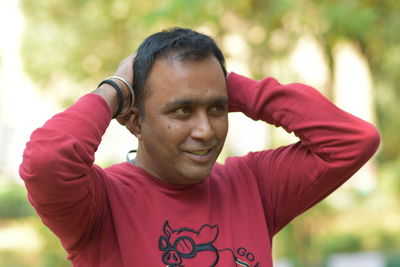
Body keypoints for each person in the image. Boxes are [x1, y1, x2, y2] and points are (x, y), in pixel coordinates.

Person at [19, 27, 380, 267]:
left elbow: (352, 140)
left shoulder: (254, 185)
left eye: (217, 109)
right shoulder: (100, 205)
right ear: (135, 121)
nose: (206, 131)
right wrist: (116, 89)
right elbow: (47, 160)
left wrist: (225, 85)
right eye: (182, 110)